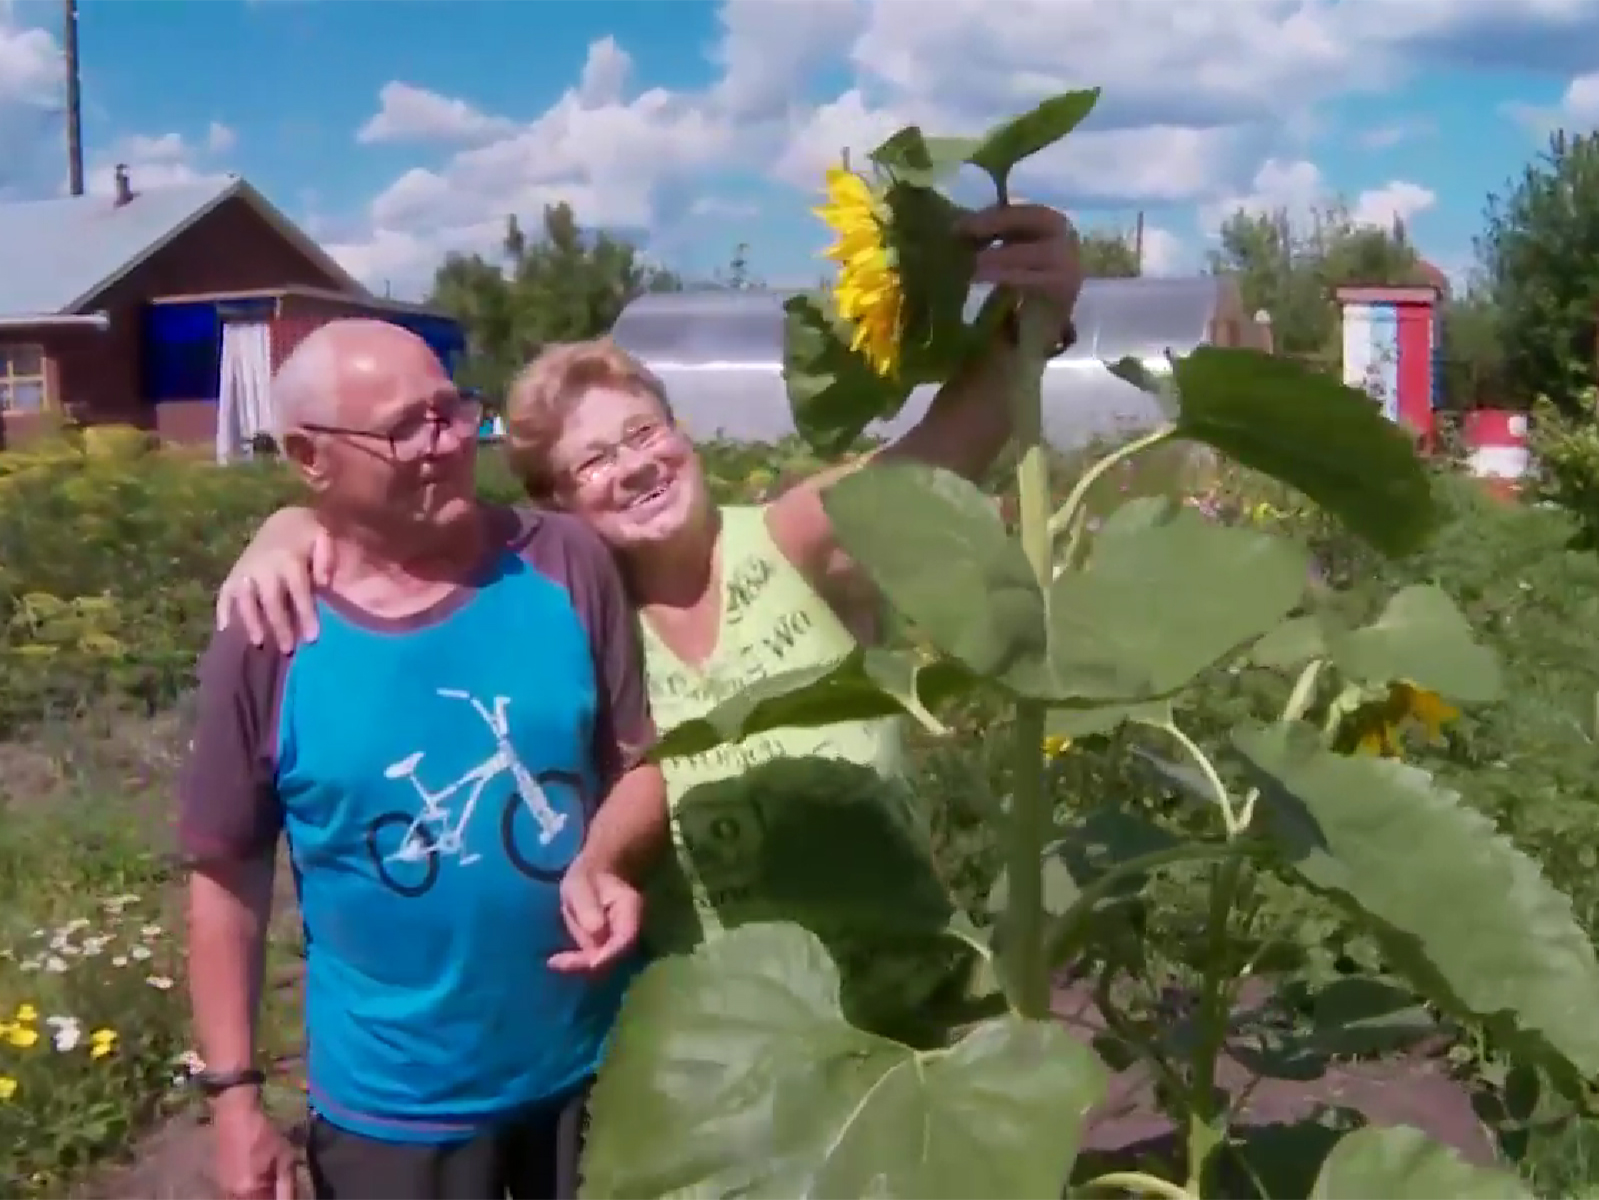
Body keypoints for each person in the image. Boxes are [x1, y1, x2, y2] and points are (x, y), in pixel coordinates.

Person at [215, 204, 1082, 998]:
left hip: (917, 996)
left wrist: (1032, 315)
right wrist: (294, 521)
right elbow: (411, 532)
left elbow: (941, 450)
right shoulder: (573, 621)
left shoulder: (797, 540)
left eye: (643, 432)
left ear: (681, 435)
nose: (633, 466)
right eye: (592, 462)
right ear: (558, 504)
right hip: (735, 1045)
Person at [180, 319, 665, 1200]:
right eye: (407, 428)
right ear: (309, 457)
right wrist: (234, 1096)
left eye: (451, 412)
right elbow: (226, 873)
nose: (445, 445)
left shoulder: (563, 560)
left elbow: (637, 761)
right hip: (396, 1118)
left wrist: (607, 855)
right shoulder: (268, 634)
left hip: (598, 1072)